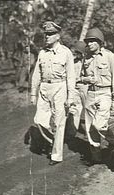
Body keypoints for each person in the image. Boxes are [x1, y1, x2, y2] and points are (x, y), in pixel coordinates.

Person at [30, 21, 76, 166]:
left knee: (59, 122)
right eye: (46, 34)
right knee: (39, 120)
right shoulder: (42, 53)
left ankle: (56, 154)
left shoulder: (66, 52)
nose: (47, 37)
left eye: (50, 34)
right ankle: (54, 140)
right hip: (44, 87)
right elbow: (37, 74)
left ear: (57, 36)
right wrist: (33, 93)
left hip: (60, 87)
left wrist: (70, 96)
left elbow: (71, 77)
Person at [81, 28, 114, 164]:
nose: (89, 44)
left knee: (99, 125)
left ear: (99, 42)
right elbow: (81, 76)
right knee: (90, 127)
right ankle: (96, 157)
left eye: (92, 41)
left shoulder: (110, 56)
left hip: (105, 93)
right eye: (88, 42)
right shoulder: (85, 57)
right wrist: (87, 79)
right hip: (91, 93)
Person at [67, 40, 88, 135]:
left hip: (85, 87)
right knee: (74, 110)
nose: (77, 54)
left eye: (79, 53)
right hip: (75, 87)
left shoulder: (88, 62)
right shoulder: (73, 62)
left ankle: (90, 133)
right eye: (76, 52)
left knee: (89, 110)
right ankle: (71, 133)